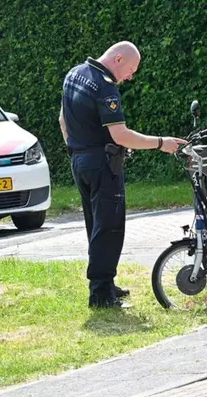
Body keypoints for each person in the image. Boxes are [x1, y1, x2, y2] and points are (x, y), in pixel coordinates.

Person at [59, 41, 186, 308]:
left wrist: (76, 149)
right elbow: (121, 135)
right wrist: (161, 143)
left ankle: (105, 285)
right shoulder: (105, 87)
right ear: (118, 59)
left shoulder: (75, 73)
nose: (130, 77)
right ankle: (101, 295)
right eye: (130, 70)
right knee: (109, 228)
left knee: (95, 226)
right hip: (102, 164)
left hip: (79, 161)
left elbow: (62, 120)